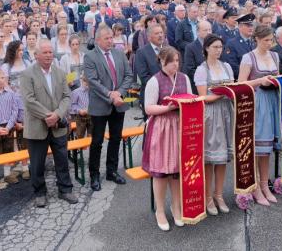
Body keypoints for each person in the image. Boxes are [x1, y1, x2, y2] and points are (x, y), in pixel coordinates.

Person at [19, 39, 78, 207]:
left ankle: (65, 189)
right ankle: (40, 192)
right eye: (44, 52)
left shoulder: (60, 73)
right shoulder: (27, 74)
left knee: (62, 159)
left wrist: (57, 115)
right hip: (37, 127)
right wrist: (48, 116)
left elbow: (67, 96)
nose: (48, 55)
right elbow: (29, 101)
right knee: (37, 163)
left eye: (50, 52)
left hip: (58, 126)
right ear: (36, 55)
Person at [142, 47, 192, 231]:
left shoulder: (184, 78)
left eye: (177, 61)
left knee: (178, 171)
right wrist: (169, 107)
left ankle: (176, 207)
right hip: (162, 128)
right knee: (161, 172)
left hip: (180, 126)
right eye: (172, 62)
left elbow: (190, 98)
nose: (176, 65)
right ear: (162, 62)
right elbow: (149, 108)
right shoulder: (154, 81)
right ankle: (160, 210)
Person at [84, 25, 135, 191]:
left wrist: (119, 93)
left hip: (118, 104)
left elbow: (128, 76)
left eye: (111, 37)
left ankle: (111, 171)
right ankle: (94, 174)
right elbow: (93, 81)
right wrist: (110, 95)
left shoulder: (119, 54)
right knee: (97, 141)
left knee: (115, 138)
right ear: (98, 40)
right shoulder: (90, 56)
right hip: (100, 105)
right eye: (106, 38)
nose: (110, 41)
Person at [236, 24, 282, 205]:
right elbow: (241, 84)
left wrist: (277, 81)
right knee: (258, 147)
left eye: (271, 40)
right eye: (266, 40)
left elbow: (278, 76)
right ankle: (254, 187)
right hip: (258, 101)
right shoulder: (249, 58)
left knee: (268, 148)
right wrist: (260, 81)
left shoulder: (275, 56)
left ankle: (264, 184)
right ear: (257, 39)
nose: (269, 44)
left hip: (272, 100)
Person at [193, 34, 233, 215]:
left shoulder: (227, 67)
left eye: (220, 47)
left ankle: (219, 194)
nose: (219, 50)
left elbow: (234, 87)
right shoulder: (202, 70)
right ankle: (207, 196)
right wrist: (221, 94)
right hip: (210, 114)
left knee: (223, 158)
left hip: (226, 112)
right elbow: (202, 97)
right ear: (207, 48)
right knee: (210, 159)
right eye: (215, 47)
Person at [1, 39, 31, 180]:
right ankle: (9, 167)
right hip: (13, 101)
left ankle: (25, 165)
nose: (21, 52)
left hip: (26, 100)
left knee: (25, 133)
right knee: (13, 133)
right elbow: (5, 84)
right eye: (19, 50)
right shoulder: (7, 66)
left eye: (22, 50)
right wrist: (13, 95)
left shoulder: (27, 63)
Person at [134, 24, 166, 114]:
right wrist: (162, 87)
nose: (160, 35)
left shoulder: (168, 50)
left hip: (169, 97)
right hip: (151, 96)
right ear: (149, 37)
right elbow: (144, 77)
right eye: (157, 33)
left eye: (161, 33)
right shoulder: (142, 52)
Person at [223, 13, 256, 79]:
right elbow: (232, 66)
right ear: (240, 27)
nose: (250, 28)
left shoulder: (254, 42)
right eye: (247, 25)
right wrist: (251, 74)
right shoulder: (231, 43)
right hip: (242, 80)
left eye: (251, 25)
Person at [182, 20, 212, 94]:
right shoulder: (190, 48)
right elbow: (190, 69)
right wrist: (206, 78)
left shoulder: (215, 46)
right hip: (199, 86)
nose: (208, 32)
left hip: (215, 84)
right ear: (198, 32)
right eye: (205, 30)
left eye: (210, 30)